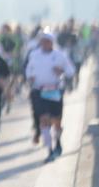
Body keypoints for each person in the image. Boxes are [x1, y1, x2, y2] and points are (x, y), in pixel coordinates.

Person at [25, 32, 75, 163]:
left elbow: (71, 71)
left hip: (54, 91)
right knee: (44, 120)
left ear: (52, 42)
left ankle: (57, 142)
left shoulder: (60, 55)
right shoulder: (34, 55)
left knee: (56, 122)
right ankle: (50, 150)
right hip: (39, 91)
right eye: (43, 41)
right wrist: (30, 77)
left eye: (47, 41)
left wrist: (62, 71)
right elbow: (28, 70)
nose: (45, 43)